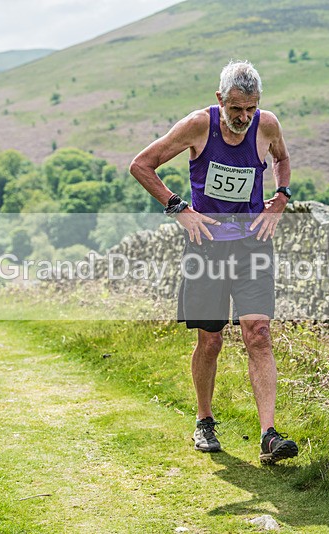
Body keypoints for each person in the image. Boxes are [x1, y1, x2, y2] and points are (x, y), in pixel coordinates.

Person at [129, 60, 298, 465]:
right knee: (211, 339)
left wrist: (281, 198)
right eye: (236, 108)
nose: (243, 118)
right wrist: (179, 208)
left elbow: (282, 160)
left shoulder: (267, 125)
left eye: (251, 109)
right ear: (219, 99)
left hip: (252, 245)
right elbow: (141, 165)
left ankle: (268, 435)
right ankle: (205, 420)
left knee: (258, 333)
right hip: (206, 247)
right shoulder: (197, 126)